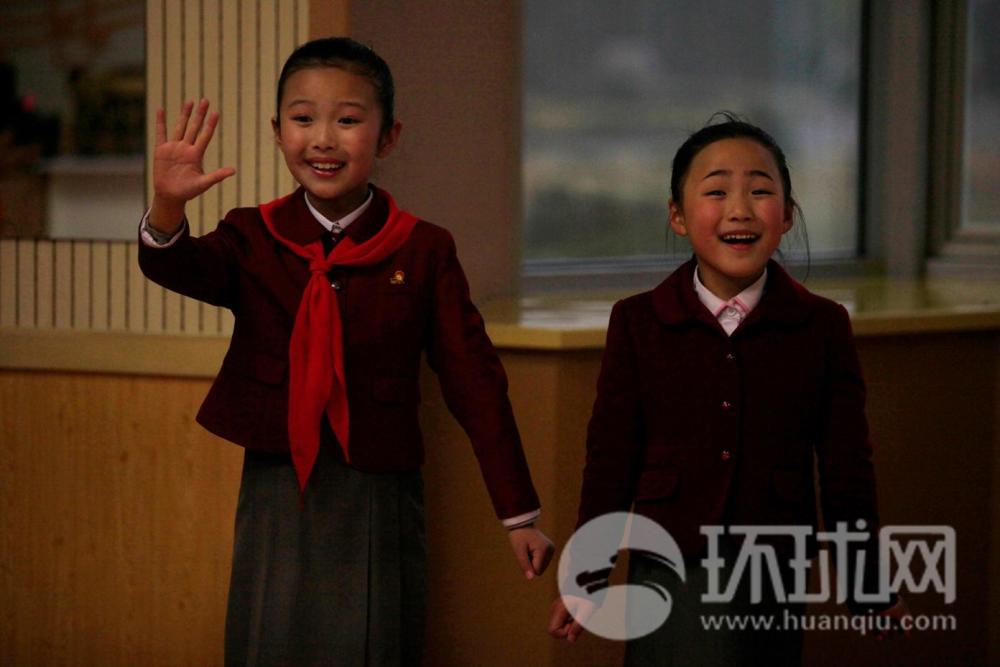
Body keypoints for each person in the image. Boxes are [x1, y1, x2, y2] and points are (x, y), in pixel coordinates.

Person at [138, 36, 553, 666]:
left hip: (379, 489)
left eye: (349, 120)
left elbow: (476, 382)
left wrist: (518, 514)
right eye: (303, 119)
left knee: (375, 644)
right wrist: (168, 205)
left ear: (387, 137)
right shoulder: (252, 234)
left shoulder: (424, 249)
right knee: (267, 641)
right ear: (279, 133)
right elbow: (178, 267)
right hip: (280, 483)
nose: (323, 139)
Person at [548, 114, 907, 665]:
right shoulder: (638, 322)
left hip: (772, 562)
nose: (740, 208)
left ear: (786, 215)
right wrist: (587, 572)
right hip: (669, 556)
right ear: (677, 216)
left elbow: (846, 468)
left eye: (760, 191)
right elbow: (611, 458)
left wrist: (867, 586)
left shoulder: (822, 326)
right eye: (716, 191)